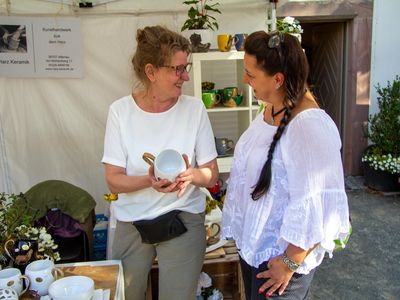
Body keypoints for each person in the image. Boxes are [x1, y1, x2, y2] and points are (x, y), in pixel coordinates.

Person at [221, 31, 351, 300]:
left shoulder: (309, 127)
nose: (245, 80)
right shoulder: (271, 107)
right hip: (257, 251)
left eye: (251, 74)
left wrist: (289, 263)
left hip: (279, 266)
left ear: (278, 79)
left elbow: (319, 206)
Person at [102, 25, 219, 300]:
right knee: (126, 295)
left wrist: (193, 176)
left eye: (185, 67)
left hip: (182, 217)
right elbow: (113, 178)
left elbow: (211, 175)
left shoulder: (194, 109)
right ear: (151, 71)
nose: (185, 76)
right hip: (132, 223)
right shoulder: (120, 112)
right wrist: (149, 181)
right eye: (177, 69)